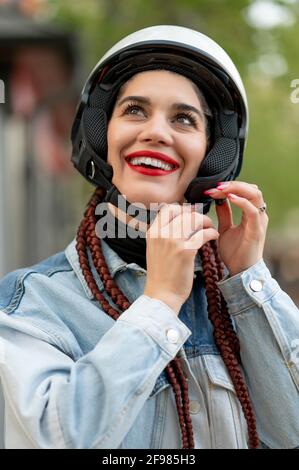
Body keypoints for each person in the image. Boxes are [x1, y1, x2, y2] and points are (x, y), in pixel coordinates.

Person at [0, 25, 298, 450]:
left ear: (214, 157)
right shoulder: (29, 303)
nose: (157, 132)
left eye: (183, 118)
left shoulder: (238, 301)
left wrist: (249, 280)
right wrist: (158, 303)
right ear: (101, 137)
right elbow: (61, 438)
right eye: (135, 110)